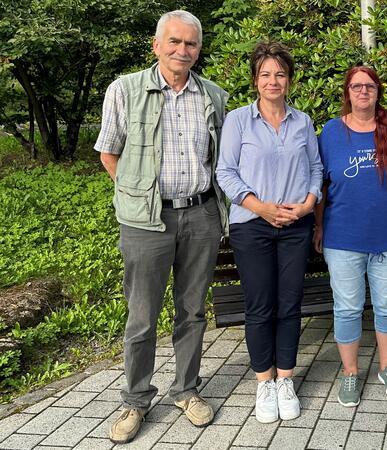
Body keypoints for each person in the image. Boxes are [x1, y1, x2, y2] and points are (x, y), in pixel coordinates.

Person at [95, 10, 228, 444]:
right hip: (145, 221)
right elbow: (109, 153)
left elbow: (221, 160)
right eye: (173, 42)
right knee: (142, 316)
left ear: (198, 50)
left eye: (190, 44)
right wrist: (138, 195)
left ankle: (186, 390)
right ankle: (135, 400)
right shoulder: (125, 90)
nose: (181, 50)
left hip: (201, 216)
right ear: (156, 45)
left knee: (191, 311)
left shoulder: (214, 96)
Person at [216, 42, 322, 423]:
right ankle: (264, 381)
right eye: (265, 74)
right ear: (255, 80)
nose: (273, 80)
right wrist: (259, 206)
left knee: (290, 303)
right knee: (260, 305)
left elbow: (315, 169)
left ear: (289, 80)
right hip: (252, 227)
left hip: (295, 226)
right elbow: (225, 172)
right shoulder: (238, 121)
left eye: (280, 73)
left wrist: (309, 203)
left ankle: (286, 379)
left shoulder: (303, 122)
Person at [313, 66, 387, 407]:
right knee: (347, 308)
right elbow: (322, 184)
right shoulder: (330, 131)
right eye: (356, 86)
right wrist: (318, 225)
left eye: (369, 86)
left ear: (377, 91)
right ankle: (349, 372)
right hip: (343, 237)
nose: (363, 91)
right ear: (348, 91)